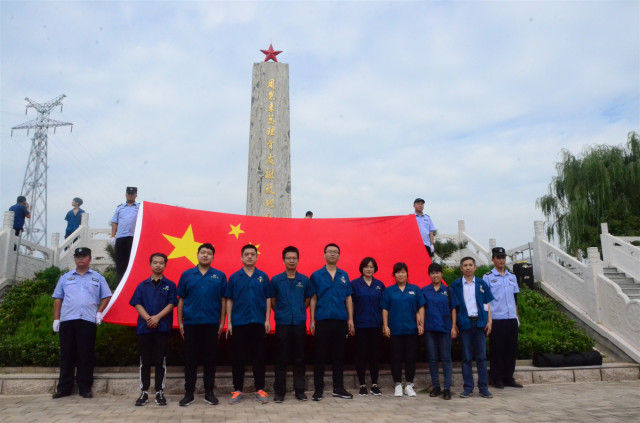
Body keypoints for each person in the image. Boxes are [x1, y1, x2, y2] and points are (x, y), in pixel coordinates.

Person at [51, 247, 112, 399]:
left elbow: (107, 296)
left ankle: (84, 388)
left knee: (86, 354)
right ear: (75, 259)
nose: (80, 259)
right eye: (78, 256)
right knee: (66, 354)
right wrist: (56, 319)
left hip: (87, 320)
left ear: (89, 259)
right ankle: (64, 388)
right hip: (68, 320)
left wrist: (99, 312)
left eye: (84, 256)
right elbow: (58, 298)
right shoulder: (65, 277)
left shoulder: (98, 278)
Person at [176, 243, 227, 407]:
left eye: (209, 253)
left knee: (210, 359)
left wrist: (222, 322)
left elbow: (223, 300)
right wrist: (180, 322)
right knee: (190, 359)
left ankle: (209, 392)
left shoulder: (219, 276)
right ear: (197, 254)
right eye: (203, 252)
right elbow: (181, 299)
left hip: (211, 323)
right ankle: (189, 393)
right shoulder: (187, 275)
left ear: (213, 257)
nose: (205, 255)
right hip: (191, 323)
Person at [129, 253, 177, 406]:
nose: (158, 265)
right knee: (145, 361)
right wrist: (148, 319)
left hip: (162, 328)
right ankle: (144, 392)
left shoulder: (170, 285)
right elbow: (137, 304)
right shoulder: (142, 285)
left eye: (161, 263)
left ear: (165, 265)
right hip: (145, 328)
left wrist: (157, 318)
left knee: (160, 361)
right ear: (150, 264)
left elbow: (171, 304)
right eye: (155, 262)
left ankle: (159, 392)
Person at [225, 244, 271, 405]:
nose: (250, 257)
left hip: (258, 322)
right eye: (246, 254)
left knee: (259, 357)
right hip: (239, 322)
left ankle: (260, 389)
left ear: (257, 257)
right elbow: (229, 300)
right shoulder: (234, 277)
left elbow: (268, 299)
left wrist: (267, 319)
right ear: (241, 257)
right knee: (238, 357)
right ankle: (237, 390)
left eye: (252, 254)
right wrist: (229, 322)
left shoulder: (263, 276)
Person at [309, 243, 354, 401]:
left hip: (340, 320)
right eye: (330, 251)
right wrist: (312, 320)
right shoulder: (316, 275)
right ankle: (318, 390)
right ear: (324, 254)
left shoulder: (344, 275)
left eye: (335, 252)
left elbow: (348, 298)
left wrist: (350, 319)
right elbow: (313, 298)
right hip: (322, 320)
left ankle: (338, 388)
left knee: (338, 356)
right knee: (319, 356)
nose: (332, 254)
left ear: (339, 256)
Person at [270, 246, 314, 403]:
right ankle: (279, 392)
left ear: (298, 260)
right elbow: (273, 301)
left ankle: (300, 391)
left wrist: (299, 310)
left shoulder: (305, 280)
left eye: (294, 258)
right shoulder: (276, 280)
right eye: (288, 258)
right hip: (282, 323)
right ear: (283, 260)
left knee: (299, 358)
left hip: (299, 323)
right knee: (281, 358)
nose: (291, 260)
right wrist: (282, 312)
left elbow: (307, 300)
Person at [450, 256, 494, 399]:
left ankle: (483, 388)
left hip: (480, 324)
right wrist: (454, 325)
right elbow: (454, 307)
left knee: (481, 357)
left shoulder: (481, 283)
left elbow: (487, 303)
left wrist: (489, 321)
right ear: (461, 268)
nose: (468, 268)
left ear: (475, 267)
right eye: (465, 265)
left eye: (470, 265)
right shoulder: (456, 285)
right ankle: (468, 388)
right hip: (465, 324)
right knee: (467, 358)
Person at [381, 262, 425, 398]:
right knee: (396, 358)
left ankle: (409, 385)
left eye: (403, 272)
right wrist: (385, 325)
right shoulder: (389, 291)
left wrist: (421, 323)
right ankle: (398, 385)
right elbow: (385, 309)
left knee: (411, 358)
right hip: (395, 330)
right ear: (394, 275)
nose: (400, 275)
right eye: (398, 272)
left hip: (411, 330)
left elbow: (421, 306)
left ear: (407, 274)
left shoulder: (415, 289)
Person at [484, 247, 523, 389]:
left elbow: (515, 298)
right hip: (497, 318)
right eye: (498, 257)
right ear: (493, 259)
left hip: (511, 318)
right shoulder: (488, 277)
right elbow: (486, 300)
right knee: (497, 350)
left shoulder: (512, 276)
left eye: (503, 257)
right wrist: (488, 319)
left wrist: (516, 317)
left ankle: (509, 377)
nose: (501, 260)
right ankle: (497, 378)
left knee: (511, 349)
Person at [421, 262, 458, 400]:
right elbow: (421, 308)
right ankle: (436, 386)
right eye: (432, 273)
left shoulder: (448, 290)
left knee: (446, 358)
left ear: (442, 274)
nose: (435, 275)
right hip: (430, 329)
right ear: (429, 275)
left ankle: (447, 388)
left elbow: (453, 309)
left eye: (437, 272)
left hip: (445, 328)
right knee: (432, 358)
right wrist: (421, 324)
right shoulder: (424, 290)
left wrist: (453, 326)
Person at [351, 257, 385, 396]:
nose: (369, 269)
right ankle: (362, 385)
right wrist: (351, 321)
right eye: (366, 266)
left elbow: (384, 306)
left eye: (371, 267)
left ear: (375, 268)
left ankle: (374, 384)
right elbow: (351, 304)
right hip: (360, 324)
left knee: (374, 355)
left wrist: (384, 324)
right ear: (362, 268)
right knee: (361, 355)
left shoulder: (379, 285)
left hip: (376, 324)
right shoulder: (354, 284)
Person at [110, 187, 140, 281]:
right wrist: (113, 236)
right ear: (126, 195)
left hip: (134, 238)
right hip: (121, 237)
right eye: (129, 194)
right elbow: (115, 222)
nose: (130, 196)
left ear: (136, 195)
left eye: (132, 194)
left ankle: (133, 281)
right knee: (121, 262)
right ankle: (121, 282)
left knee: (133, 261)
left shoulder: (140, 207)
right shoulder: (120, 208)